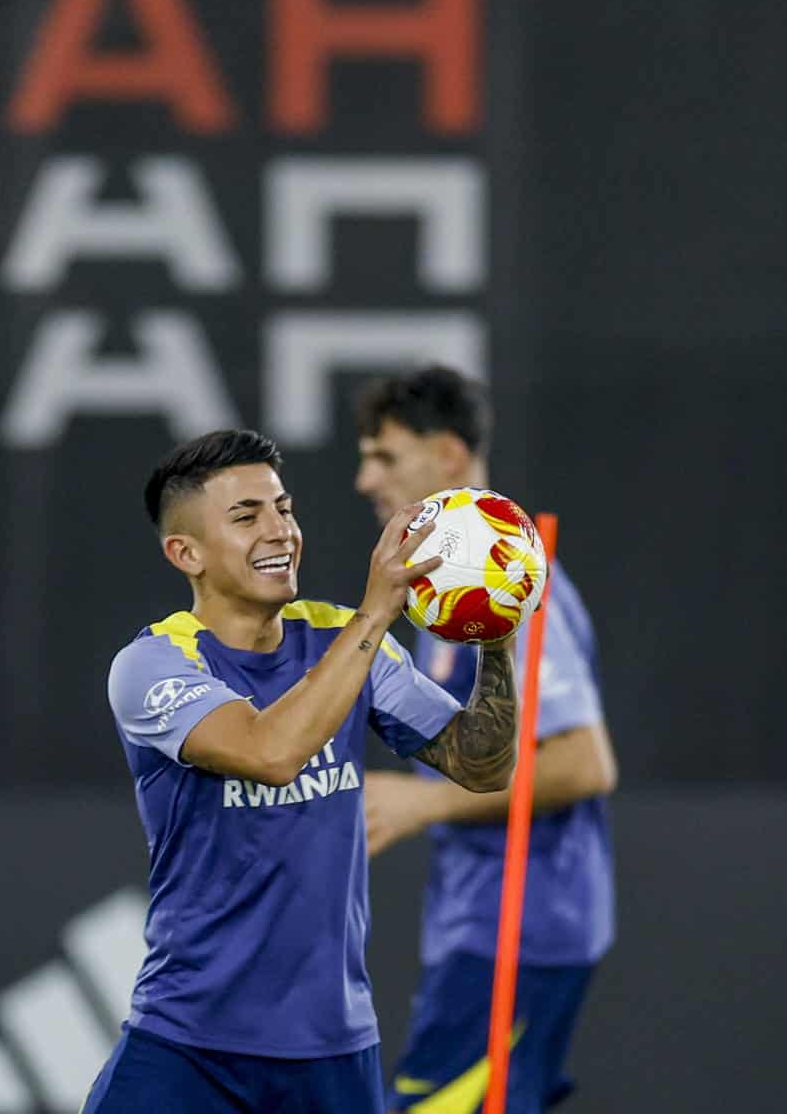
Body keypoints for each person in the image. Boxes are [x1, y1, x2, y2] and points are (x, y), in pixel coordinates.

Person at [83, 428, 520, 1113]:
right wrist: (377, 612)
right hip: (190, 1045)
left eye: (283, 508)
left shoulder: (343, 638)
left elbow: (483, 763)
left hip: (333, 1051)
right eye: (246, 516)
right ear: (185, 552)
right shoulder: (153, 665)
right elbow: (270, 753)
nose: (279, 531)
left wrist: (496, 632)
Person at [353, 366, 617, 1114]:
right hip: (488, 920)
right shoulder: (453, 600)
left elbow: (584, 762)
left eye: (385, 457)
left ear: (446, 457)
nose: (364, 478)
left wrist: (425, 803)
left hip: (520, 928)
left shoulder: (507, 587)